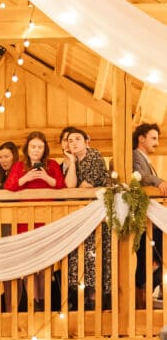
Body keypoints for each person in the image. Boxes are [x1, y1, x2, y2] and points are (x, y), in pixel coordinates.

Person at [4, 131, 65, 308]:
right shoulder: (19, 166)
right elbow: (10, 186)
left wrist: (46, 177)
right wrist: (25, 178)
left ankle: (44, 301)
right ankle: (32, 301)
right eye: (33, 146)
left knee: (45, 263)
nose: (36, 150)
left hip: (47, 220)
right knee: (29, 263)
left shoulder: (51, 165)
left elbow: (61, 185)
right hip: (25, 221)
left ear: (44, 149)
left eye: (40, 147)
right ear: (27, 148)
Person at [63, 128, 111, 309]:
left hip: (97, 217)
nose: (73, 143)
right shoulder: (73, 161)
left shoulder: (94, 156)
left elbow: (83, 188)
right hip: (83, 217)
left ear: (86, 141)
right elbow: (70, 185)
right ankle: (85, 302)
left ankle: (96, 304)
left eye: (77, 139)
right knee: (82, 260)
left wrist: (73, 193)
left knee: (96, 260)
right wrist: (73, 163)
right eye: (70, 140)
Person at [132, 122, 166, 305]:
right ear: (141, 138)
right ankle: (143, 294)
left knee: (154, 258)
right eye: (153, 138)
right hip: (143, 217)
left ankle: (147, 291)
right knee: (148, 258)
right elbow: (139, 176)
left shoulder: (146, 159)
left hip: (151, 218)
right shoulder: (135, 156)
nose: (157, 142)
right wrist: (159, 182)